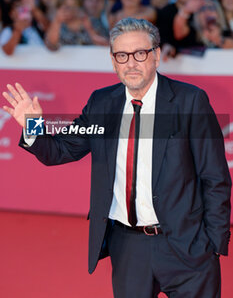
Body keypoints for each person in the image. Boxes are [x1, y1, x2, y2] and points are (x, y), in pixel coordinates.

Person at [2, 18, 231, 298]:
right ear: (113, 61)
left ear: (156, 55)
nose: (131, 63)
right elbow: (59, 151)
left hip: (187, 244)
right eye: (122, 55)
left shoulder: (190, 101)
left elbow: (215, 176)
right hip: (128, 246)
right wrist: (32, 125)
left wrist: (213, 243)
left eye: (140, 53)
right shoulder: (102, 103)